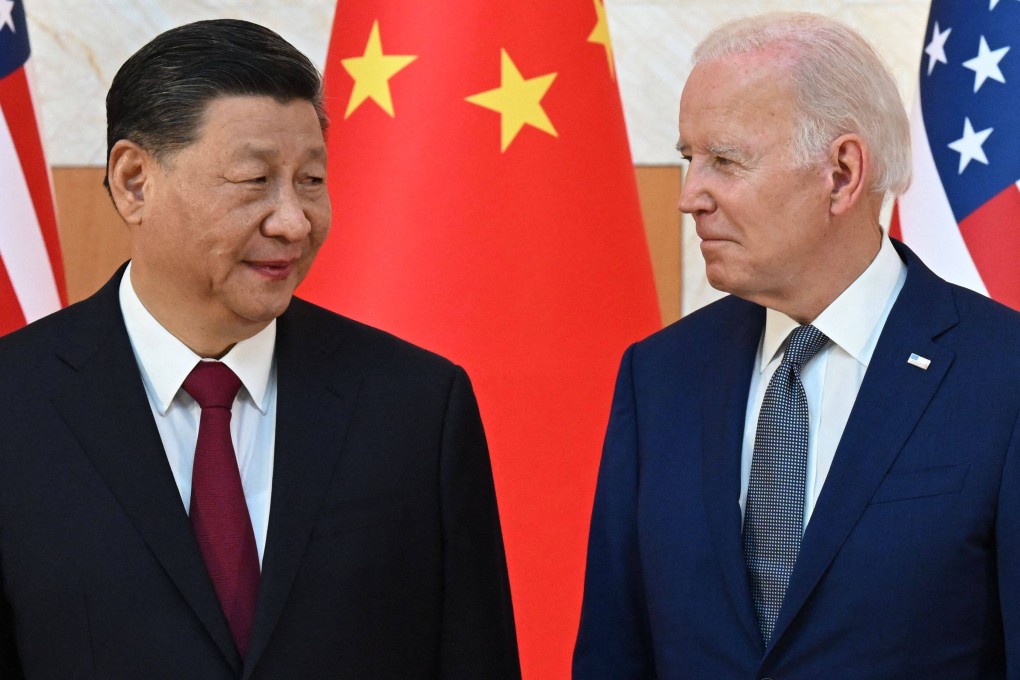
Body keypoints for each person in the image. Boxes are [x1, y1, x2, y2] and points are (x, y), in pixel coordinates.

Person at [0, 19, 520, 679]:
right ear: (135, 181)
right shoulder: (15, 406)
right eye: (254, 180)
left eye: (310, 180)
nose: (294, 221)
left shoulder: (416, 408)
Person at [574, 12, 1020, 679]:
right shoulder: (658, 376)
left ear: (840, 174)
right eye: (688, 159)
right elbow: (617, 651)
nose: (690, 196)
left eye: (724, 161)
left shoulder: (1002, 375)